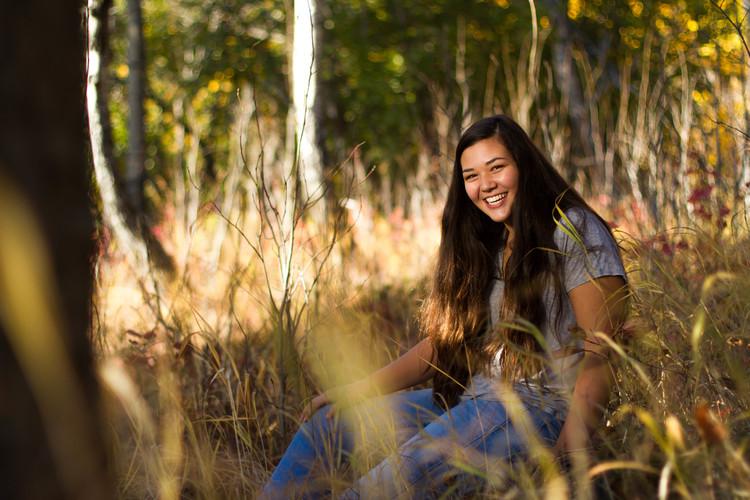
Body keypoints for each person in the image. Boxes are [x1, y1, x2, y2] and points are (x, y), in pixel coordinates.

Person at [261, 115, 629, 498]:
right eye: (471, 176)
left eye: (497, 167)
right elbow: (446, 345)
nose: (485, 185)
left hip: (537, 414)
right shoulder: (490, 242)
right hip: (472, 400)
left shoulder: (573, 230)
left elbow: (602, 353)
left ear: (525, 165)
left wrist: (564, 461)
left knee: (379, 490)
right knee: (326, 428)